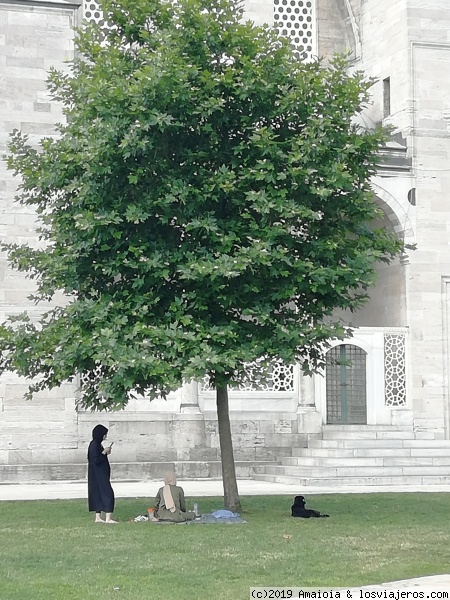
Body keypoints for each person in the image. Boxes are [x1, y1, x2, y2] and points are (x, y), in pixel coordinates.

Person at [87, 424, 116, 523]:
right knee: (107, 493)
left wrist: (104, 452)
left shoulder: (96, 444)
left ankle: (98, 517)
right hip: (98, 474)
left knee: (98, 493)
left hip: (98, 474)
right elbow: (95, 460)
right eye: (104, 434)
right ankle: (108, 518)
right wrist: (104, 452)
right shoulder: (94, 445)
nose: (105, 436)